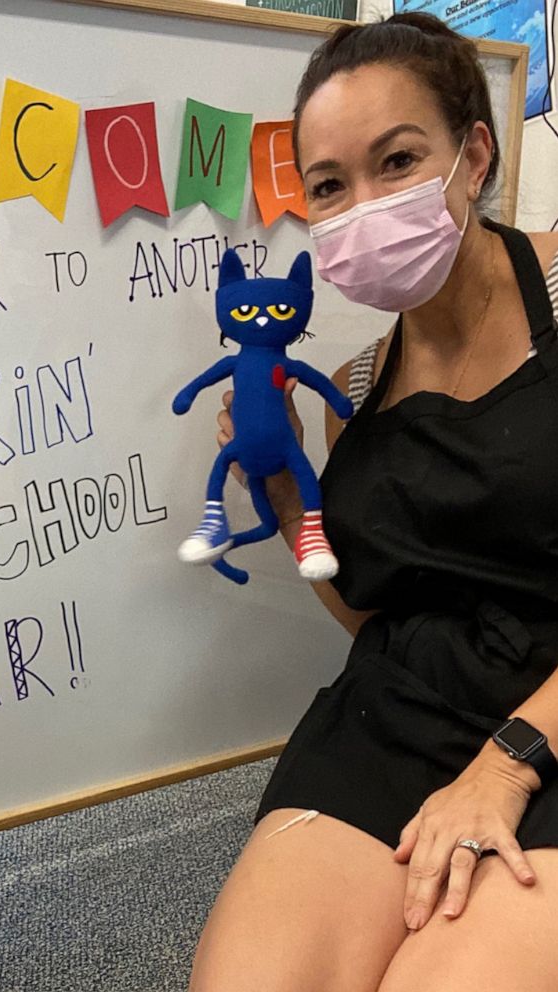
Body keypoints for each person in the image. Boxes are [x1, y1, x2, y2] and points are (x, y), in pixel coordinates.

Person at [188, 12, 558, 992]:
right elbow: (369, 608)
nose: (361, 204)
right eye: (327, 185)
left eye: (395, 160)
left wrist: (505, 761)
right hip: (397, 708)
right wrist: (281, 490)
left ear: (470, 154)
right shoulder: (350, 388)